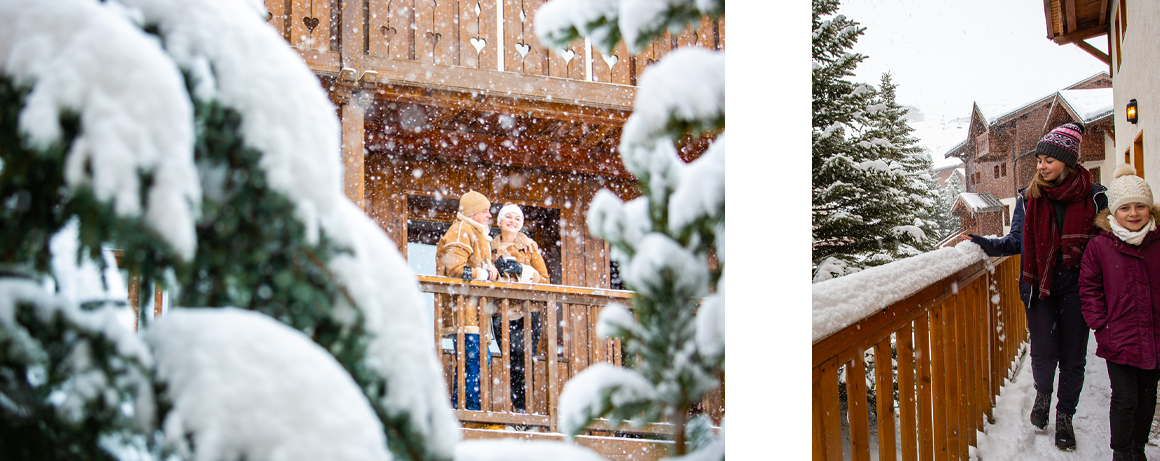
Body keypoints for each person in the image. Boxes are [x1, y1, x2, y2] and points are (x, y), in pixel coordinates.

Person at [962, 122, 1107, 451]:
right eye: (1039, 159)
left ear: (1067, 162)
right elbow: (1016, 241)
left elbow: (1104, 246)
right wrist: (984, 243)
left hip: (1078, 288)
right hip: (1039, 288)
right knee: (1043, 353)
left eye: (1048, 160)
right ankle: (1043, 394)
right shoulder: (1029, 199)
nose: (1040, 166)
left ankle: (1065, 416)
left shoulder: (1094, 197)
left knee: (1073, 358)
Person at [1079, 165, 1160, 461]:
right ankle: (1122, 452)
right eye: (1126, 207)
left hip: (1155, 335)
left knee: (1148, 398)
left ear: (1149, 208)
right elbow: (1089, 288)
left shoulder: (1158, 242)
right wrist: (1101, 325)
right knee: (1125, 398)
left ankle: (1138, 448)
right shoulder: (1101, 246)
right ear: (1115, 212)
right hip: (1120, 337)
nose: (1134, 213)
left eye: (1140, 206)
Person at [435, 190, 498, 411]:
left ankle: (465, 409)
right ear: (472, 213)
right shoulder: (462, 230)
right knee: (475, 362)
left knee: (477, 361)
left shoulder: (475, 233)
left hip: (474, 312)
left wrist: (491, 271)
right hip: (463, 311)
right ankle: (469, 412)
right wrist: (483, 273)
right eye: (485, 211)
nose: (490, 216)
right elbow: (454, 268)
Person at [490, 203, 550, 412]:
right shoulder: (488, 247)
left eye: (517, 218)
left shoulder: (529, 247)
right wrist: (494, 271)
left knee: (524, 360)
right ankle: (513, 410)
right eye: (509, 217)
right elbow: (483, 275)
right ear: (500, 222)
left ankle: (523, 409)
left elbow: (545, 280)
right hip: (501, 311)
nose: (513, 221)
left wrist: (523, 270)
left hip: (528, 311)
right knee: (509, 360)